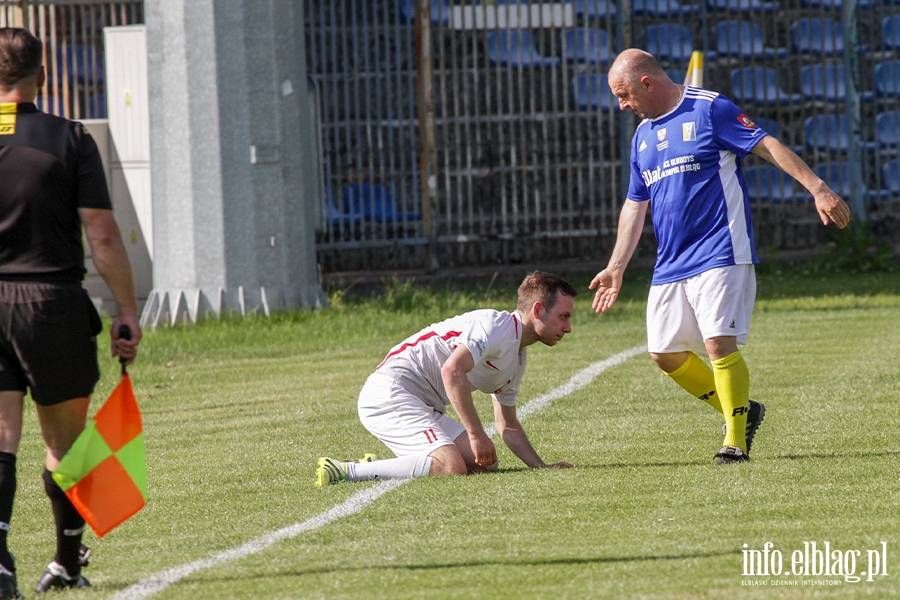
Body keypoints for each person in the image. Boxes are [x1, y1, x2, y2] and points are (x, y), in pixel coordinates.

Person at [590, 49, 850, 465]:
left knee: (717, 344)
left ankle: (735, 442)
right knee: (663, 353)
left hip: (721, 248)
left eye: (623, 94)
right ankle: (744, 411)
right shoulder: (641, 137)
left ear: (646, 83)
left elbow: (767, 146)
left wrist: (818, 187)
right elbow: (634, 206)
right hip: (671, 261)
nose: (621, 104)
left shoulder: (710, 108)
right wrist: (616, 267)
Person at [0, 28, 142, 597]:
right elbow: (102, 235)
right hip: (50, 304)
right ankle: (65, 563)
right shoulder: (70, 138)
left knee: (1, 435)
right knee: (63, 443)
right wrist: (127, 310)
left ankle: (0, 563)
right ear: (44, 74)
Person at [316, 271, 576, 486]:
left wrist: (542, 467)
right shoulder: (495, 326)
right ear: (538, 310)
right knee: (451, 467)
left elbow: (507, 425)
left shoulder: (517, 357)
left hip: (422, 405)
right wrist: (476, 435)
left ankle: (377, 466)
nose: (568, 327)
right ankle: (345, 471)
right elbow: (451, 371)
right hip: (389, 392)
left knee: (485, 463)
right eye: (563, 316)